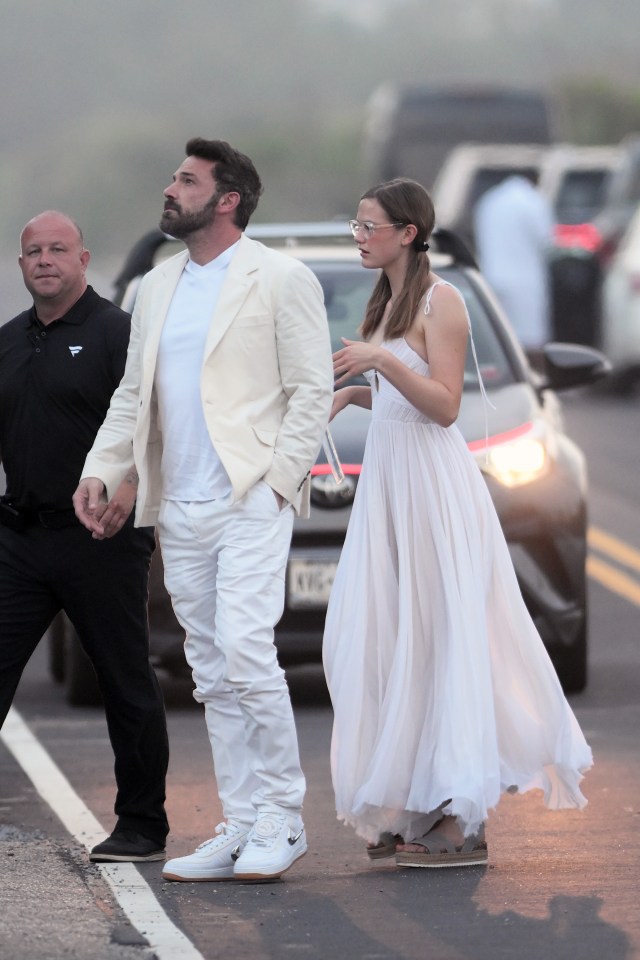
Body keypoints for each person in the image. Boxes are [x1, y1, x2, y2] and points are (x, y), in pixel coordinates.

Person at [73, 138, 334, 882]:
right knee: (210, 670)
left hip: (250, 494)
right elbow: (133, 396)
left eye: (186, 180)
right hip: (177, 504)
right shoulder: (155, 285)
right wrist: (103, 469)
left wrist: (278, 482)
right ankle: (243, 822)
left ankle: (283, 817)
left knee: (249, 652)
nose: (170, 188)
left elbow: (311, 390)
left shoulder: (280, 278)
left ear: (227, 200)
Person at [323, 177, 592, 868]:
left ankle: (460, 814)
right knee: (387, 638)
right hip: (387, 487)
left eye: (368, 225)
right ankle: (412, 798)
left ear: (407, 232)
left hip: (432, 488)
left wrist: (379, 358)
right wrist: (352, 392)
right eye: (356, 225)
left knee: (443, 641)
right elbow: (395, 397)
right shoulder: (384, 299)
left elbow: (443, 407)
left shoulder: (444, 302)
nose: (358, 236)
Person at [0, 211, 169, 863]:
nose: (44, 259)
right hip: (19, 537)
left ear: (82, 259)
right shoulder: (9, 342)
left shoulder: (116, 334)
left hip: (99, 537)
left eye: (57, 249)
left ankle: (142, 825)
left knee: (125, 678)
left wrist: (129, 492)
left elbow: (152, 424)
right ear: (21, 267)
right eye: (32, 251)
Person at [473, 172, 554, 363]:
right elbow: (547, 240)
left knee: (498, 339)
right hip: (525, 282)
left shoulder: (490, 200)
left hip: (491, 277)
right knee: (531, 339)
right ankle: (533, 381)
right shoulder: (533, 201)